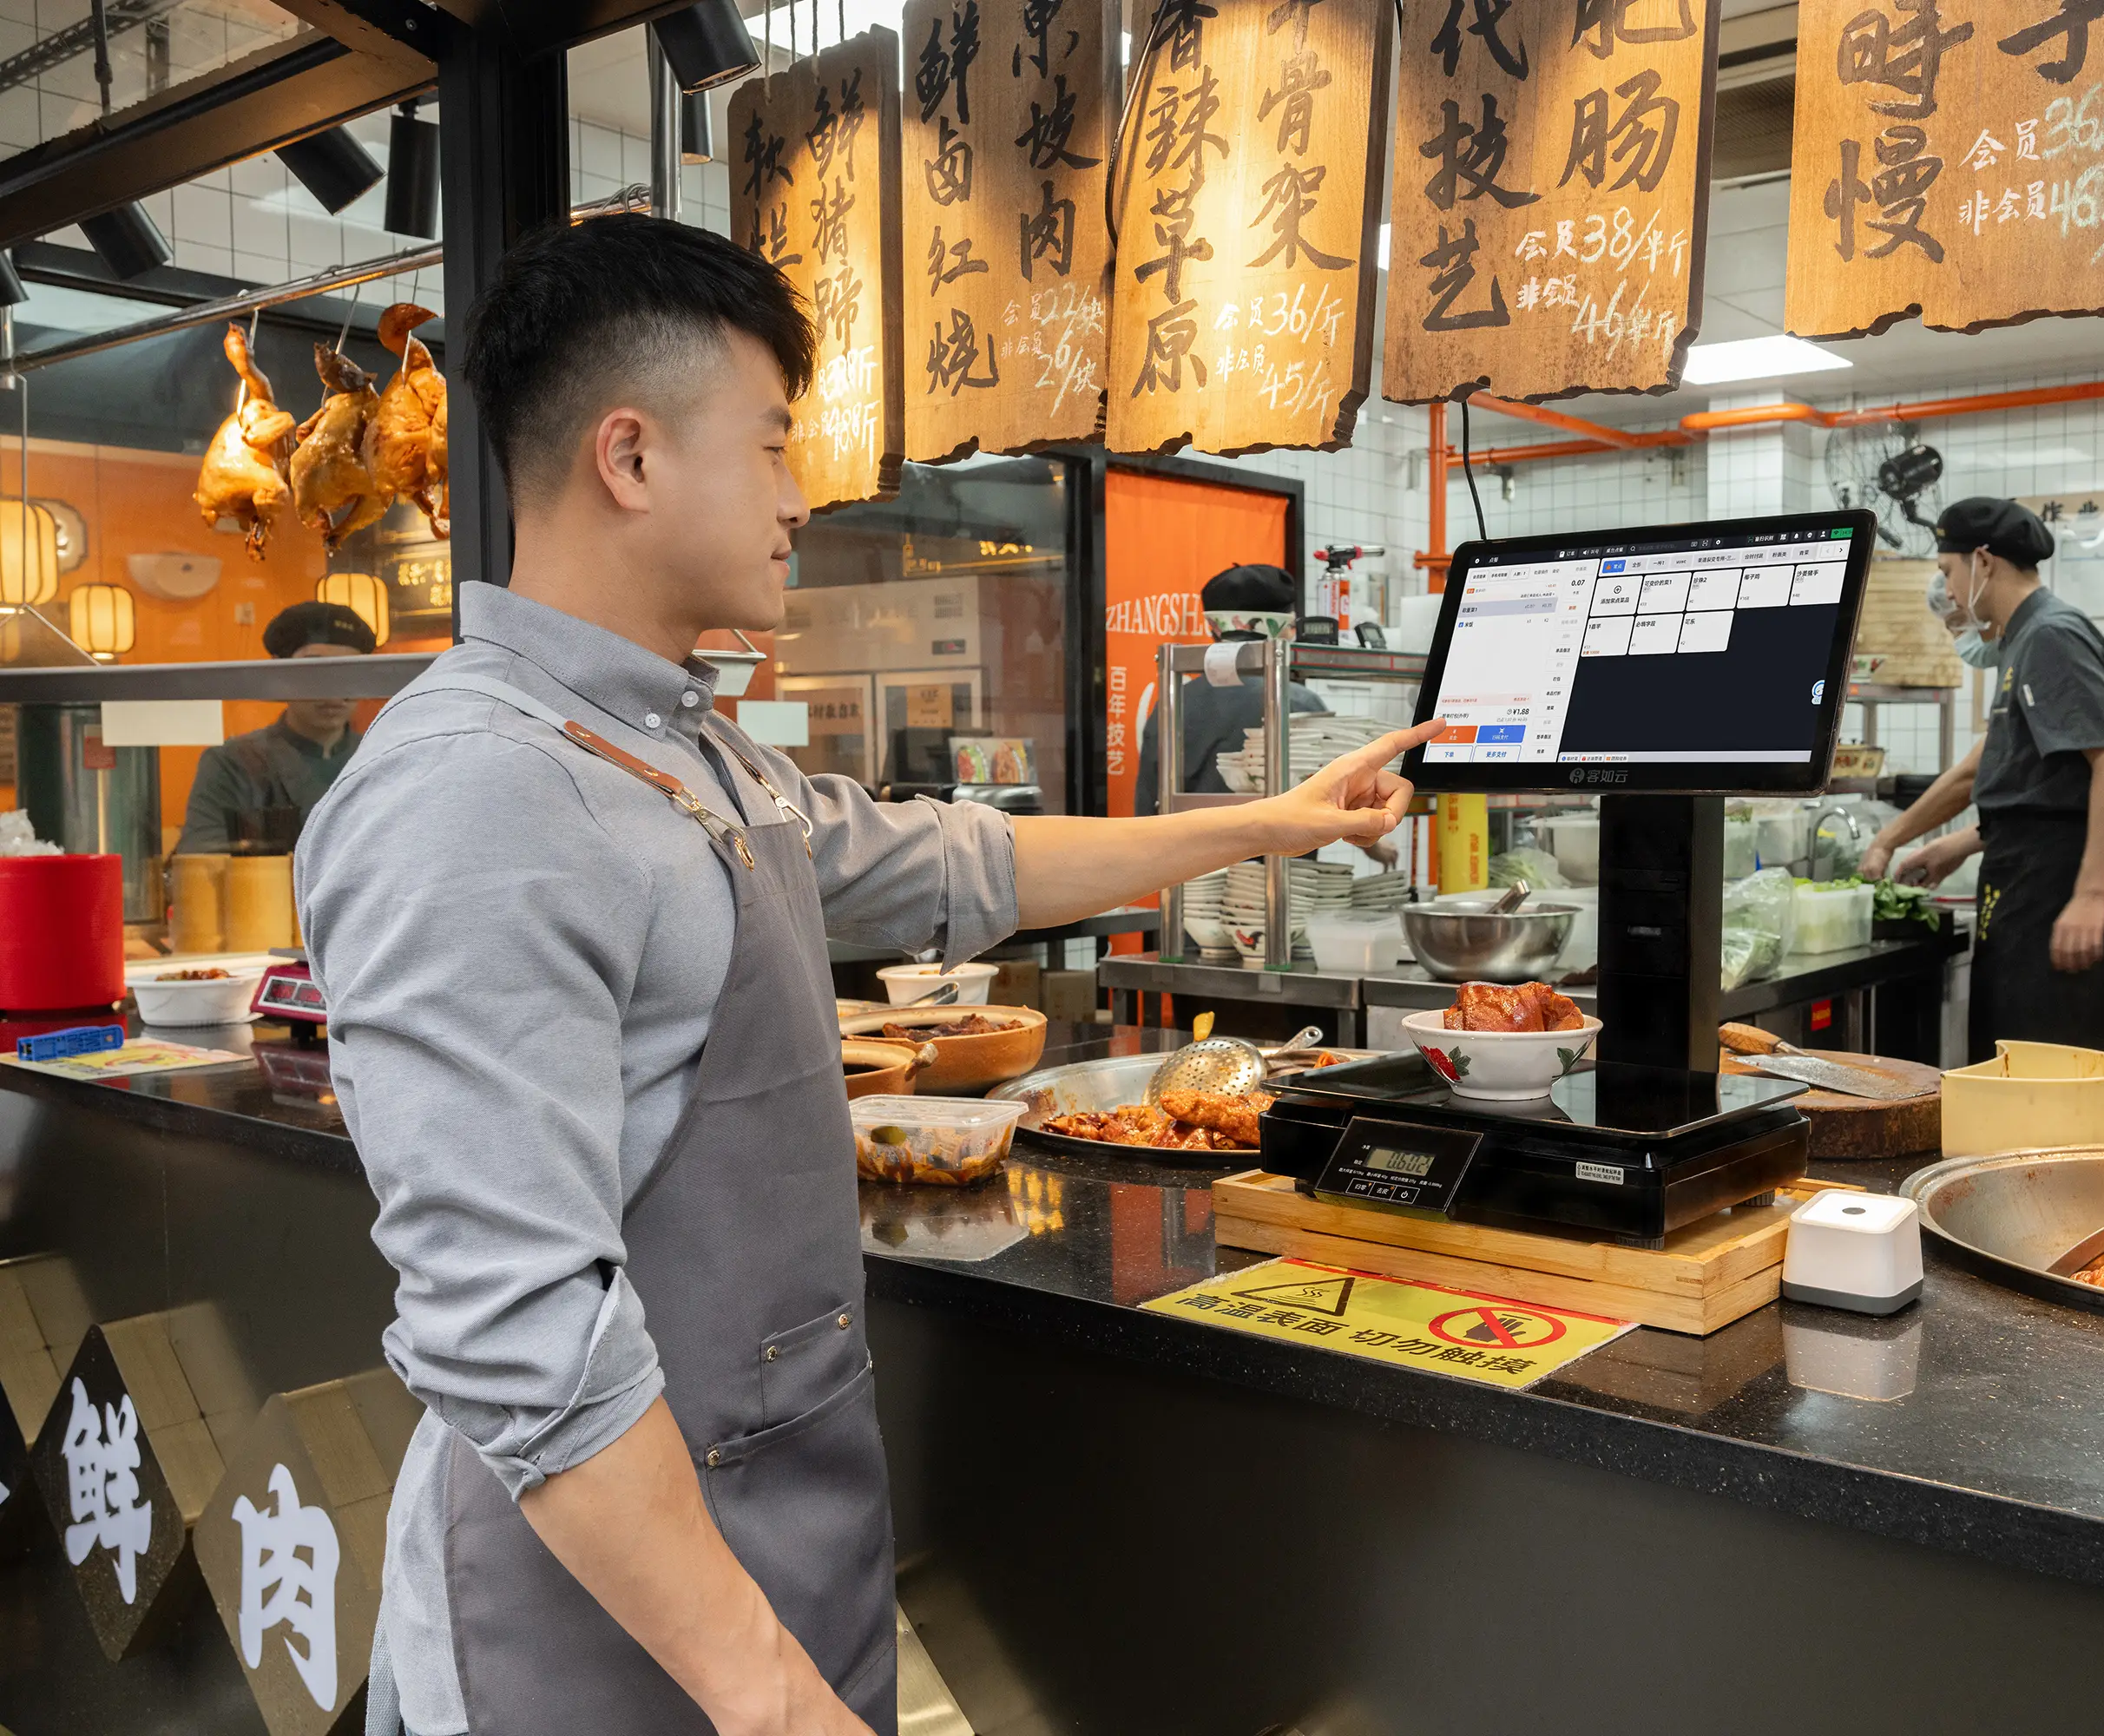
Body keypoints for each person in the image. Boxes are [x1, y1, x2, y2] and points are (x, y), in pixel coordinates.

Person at [297, 214, 1437, 1736]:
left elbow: (963, 869)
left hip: (781, 1550)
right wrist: (767, 1700)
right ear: (627, 460)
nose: (794, 498)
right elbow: (520, 1337)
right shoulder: (478, 795)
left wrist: (1273, 819)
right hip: (596, 1646)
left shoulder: (683, 745)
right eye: (770, 448)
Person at [1856, 496, 2104, 1132]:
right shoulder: (2022, 641)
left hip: (2061, 888)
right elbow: (1993, 770)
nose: (1946, 589)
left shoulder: (2050, 634)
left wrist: (2087, 897)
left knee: (2057, 1074)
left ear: (1983, 561)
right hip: (2025, 877)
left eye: (1947, 571)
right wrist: (1930, 841)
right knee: (2019, 1063)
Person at [173, 600, 377, 852]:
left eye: (349, 671)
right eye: (314, 671)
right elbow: (202, 859)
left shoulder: (379, 756)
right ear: (281, 674)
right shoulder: (234, 762)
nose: (334, 693)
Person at [1130, 562, 1328, 815]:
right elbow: (1330, 794)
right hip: (1279, 851)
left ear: (1212, 626)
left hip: (1186, 849)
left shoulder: (1173, 704)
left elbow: (1146, 805)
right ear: (1284, 627)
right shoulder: (1298, 702)